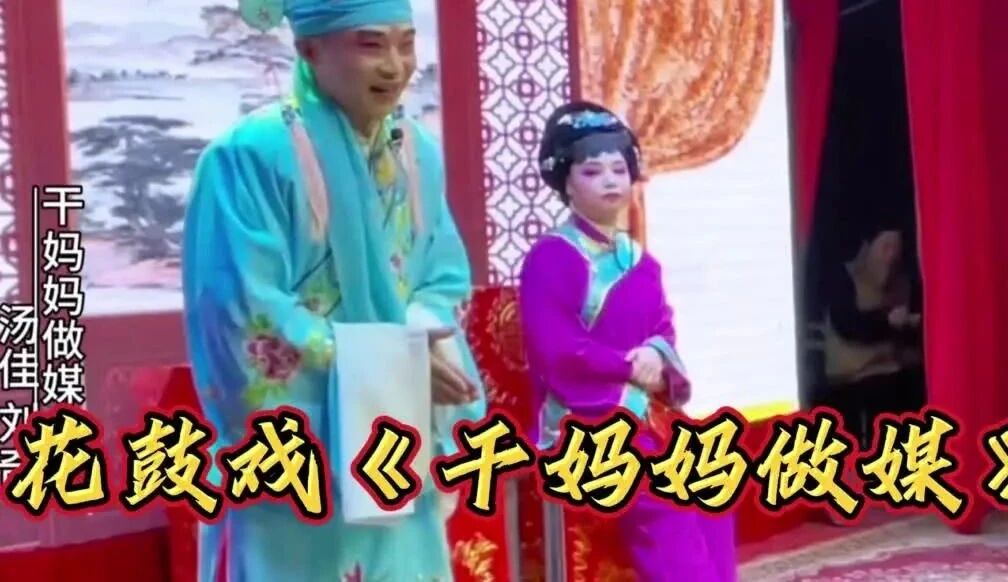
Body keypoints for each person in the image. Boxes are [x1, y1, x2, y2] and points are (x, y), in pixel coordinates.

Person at [181, 1, 486, 580]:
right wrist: (387, 359)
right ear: (309, 50)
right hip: (303, 462)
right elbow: (243, 314)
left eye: (405, 43)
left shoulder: (416, 151)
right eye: (370, 44)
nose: (395, 66)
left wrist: (420, 340)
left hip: (397, 443)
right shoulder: (248, 157)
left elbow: (443, 276)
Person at [518, 101, 737, 581]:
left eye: (619, 169)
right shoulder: (550, 258)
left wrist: (657, 356)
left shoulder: (640, 260)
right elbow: (557, 351)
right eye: (592, 171)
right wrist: (626, 367)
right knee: (665, 491)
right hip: (581, 421)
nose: (610, 181)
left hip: (643, 416)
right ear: (566, 182)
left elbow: (664, 328)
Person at [818, 224, 925, 451]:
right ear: (868, 246)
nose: (891, 256)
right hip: (854, 377)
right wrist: (887, 321)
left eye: (896, 248)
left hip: (895, 371)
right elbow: (848, 326)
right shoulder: (845, 278)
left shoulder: (902, 282)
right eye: (886, 247)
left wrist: (911, 323)